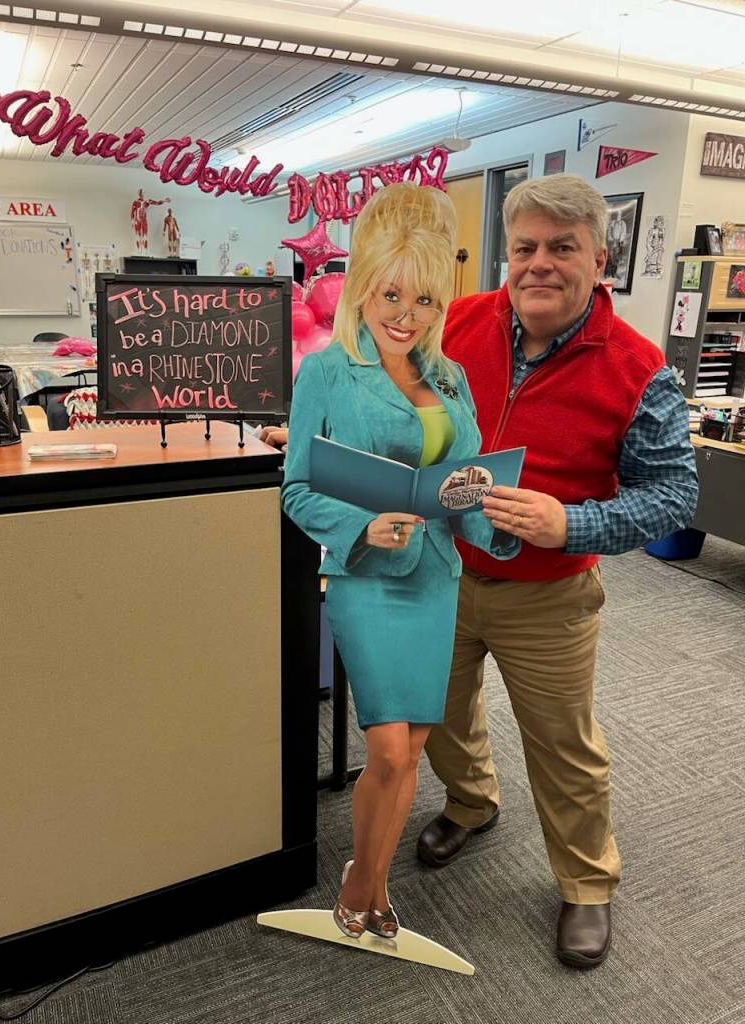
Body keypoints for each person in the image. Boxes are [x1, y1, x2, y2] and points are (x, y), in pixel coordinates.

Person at [415, 174, 698, 969]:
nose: (540, 264)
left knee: (562, 745)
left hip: (548, 594)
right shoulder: (456, 323)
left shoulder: (638, 368)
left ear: (599, 260)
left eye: (562, 248)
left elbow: (674, 494)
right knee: (439, 712)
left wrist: (570, 522)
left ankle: (586, 881)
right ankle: (471, 802)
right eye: (526, 248)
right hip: (444, 569)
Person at [281, 182, 510, 940]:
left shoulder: (449, 377)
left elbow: (462, 483)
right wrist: (361, 526)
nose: (406, 316)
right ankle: (361, 879)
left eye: (425, 302)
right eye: (391, 295)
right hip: (367, 578)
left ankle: (372, 886)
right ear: (363, 287)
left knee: (411, 748)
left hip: (437, 574)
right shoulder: (327, 372)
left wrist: (497, 517)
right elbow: (296, 488)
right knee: (384, 746)